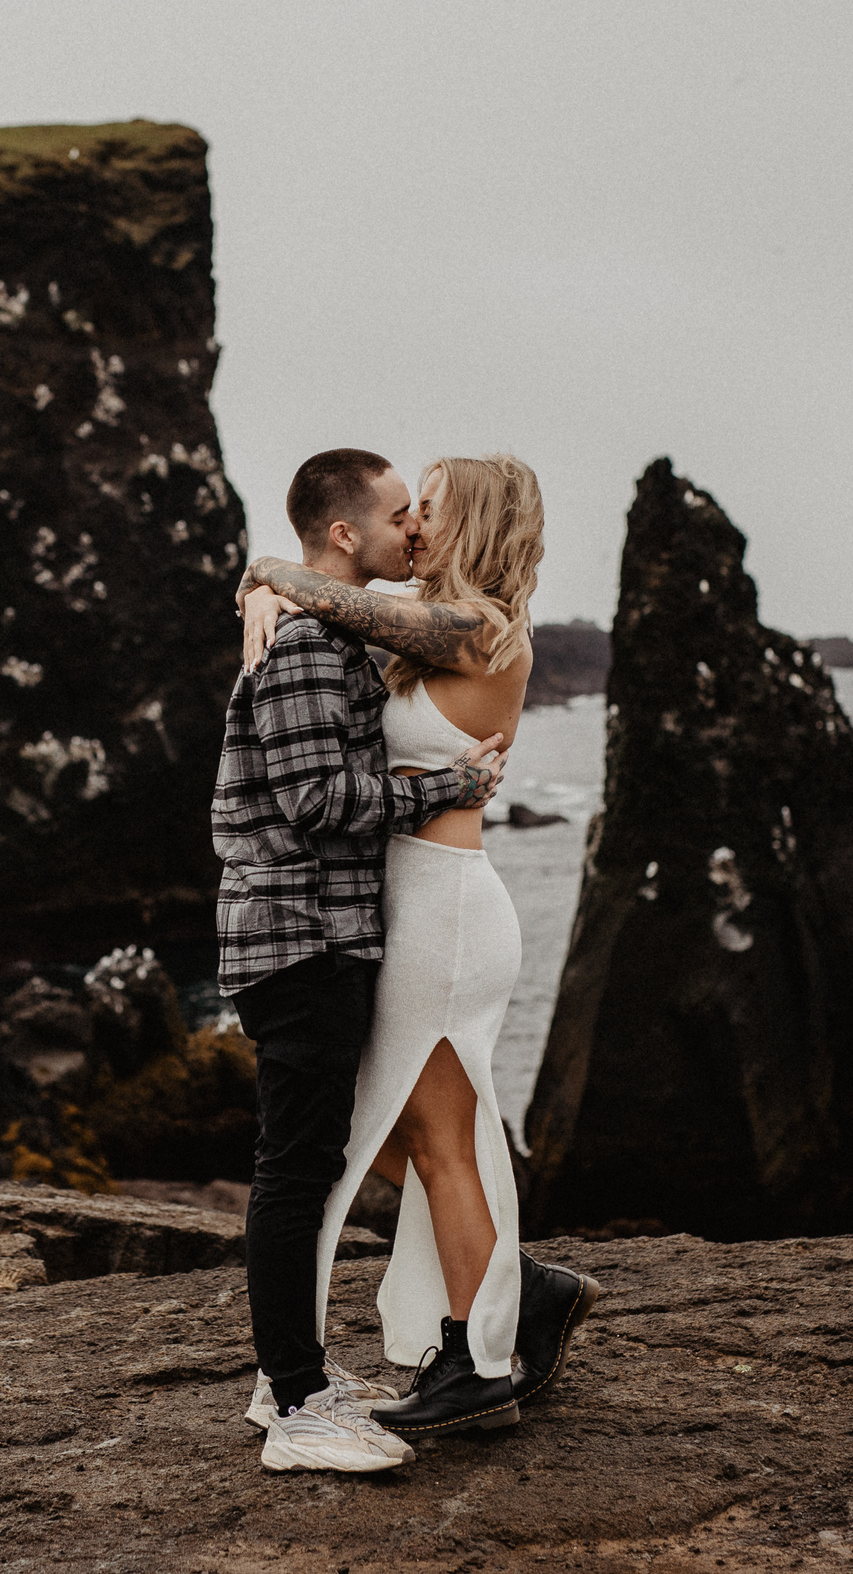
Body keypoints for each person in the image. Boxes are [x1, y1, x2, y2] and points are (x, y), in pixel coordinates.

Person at [236, 452, 599, 1445]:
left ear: (471, 522)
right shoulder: (419, 637)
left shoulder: (474, 628)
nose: (414, 527)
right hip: (410, 910)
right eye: (407, 511)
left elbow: (336, 600)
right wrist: (259, 585)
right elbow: (343, 620)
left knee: (435, 1138)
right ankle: (518, 1286)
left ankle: (478, 1360)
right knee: (397, 1128)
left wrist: (269, 574)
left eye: (429, 511)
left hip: (443, 912)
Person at [210, 449, 507, 1474]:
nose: (411, 532)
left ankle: (298, 1380)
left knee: (314, 1156)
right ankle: (292, 1405)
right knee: (293, 1171)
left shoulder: (334, 635)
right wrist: (446, 789)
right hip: (298, 940)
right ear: (344, 535)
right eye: (395, 515)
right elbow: (318, 805)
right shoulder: (302, 649)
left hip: (326, 937)